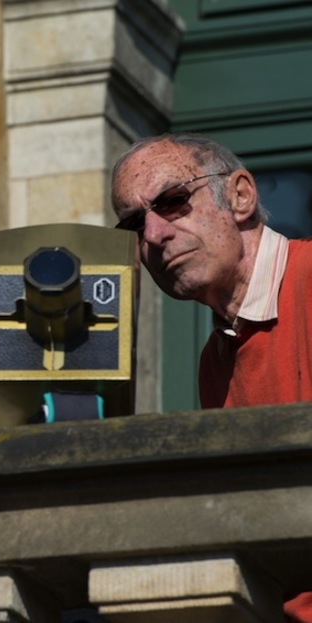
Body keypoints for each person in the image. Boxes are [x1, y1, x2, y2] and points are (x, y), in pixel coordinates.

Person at [110, 132, 312, 622]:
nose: (153, 235)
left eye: (173, 202)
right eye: (135, 224)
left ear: (241, 196)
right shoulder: (217, 355)